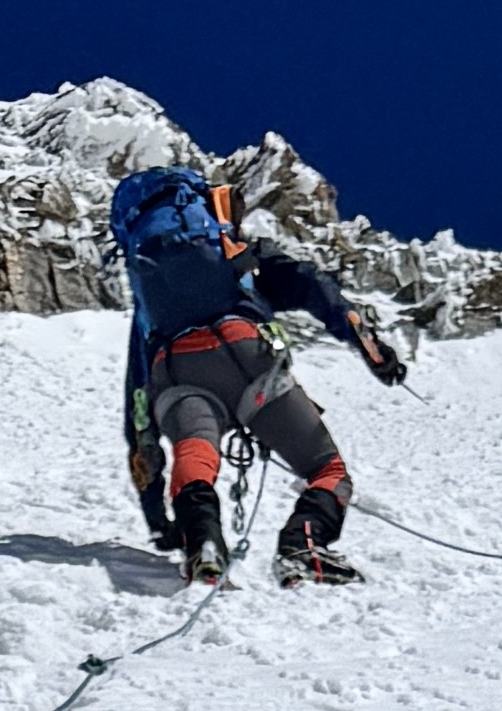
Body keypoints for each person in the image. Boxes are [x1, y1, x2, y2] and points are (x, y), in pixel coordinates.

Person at [110, 164, 406, 587]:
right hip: (248, 354)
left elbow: (138, 411)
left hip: (176, 368)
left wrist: (158, 518)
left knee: (196, 452)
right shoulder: (238, 255)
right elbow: (311, 284)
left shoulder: (149, 299)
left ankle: (201, 541)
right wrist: (370, 348)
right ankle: (303, 547)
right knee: (327, 470)